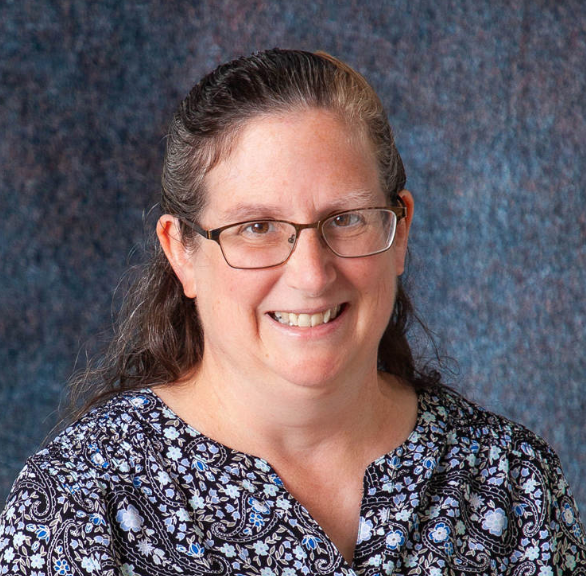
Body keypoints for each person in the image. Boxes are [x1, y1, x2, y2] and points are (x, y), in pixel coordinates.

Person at [1, 49, 584, 576]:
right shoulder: (77, 511)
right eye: (257, 227)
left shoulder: (514, 484)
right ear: (182, 252)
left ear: (400, 228)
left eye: (347, 218)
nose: (311, 274)